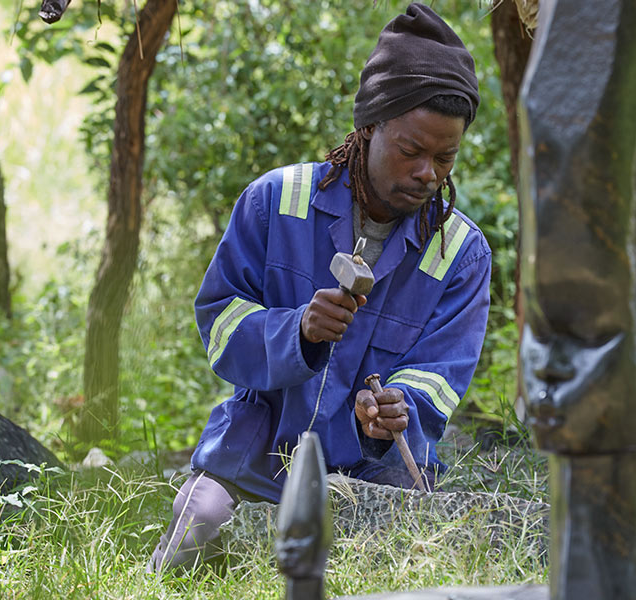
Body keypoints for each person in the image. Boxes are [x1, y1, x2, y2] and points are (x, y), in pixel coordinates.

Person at [148, 2, 491, 573]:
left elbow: (442, 371)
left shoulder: (459, 252)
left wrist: (395, 408)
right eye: (412, 151)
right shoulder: (275, 202)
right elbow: (219, 321)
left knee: (403, 567)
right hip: (256, 452)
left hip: (373, 470)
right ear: (370, 126)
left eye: (445, 157)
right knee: (198, 523)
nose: (428, 172)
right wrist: (297, 332)